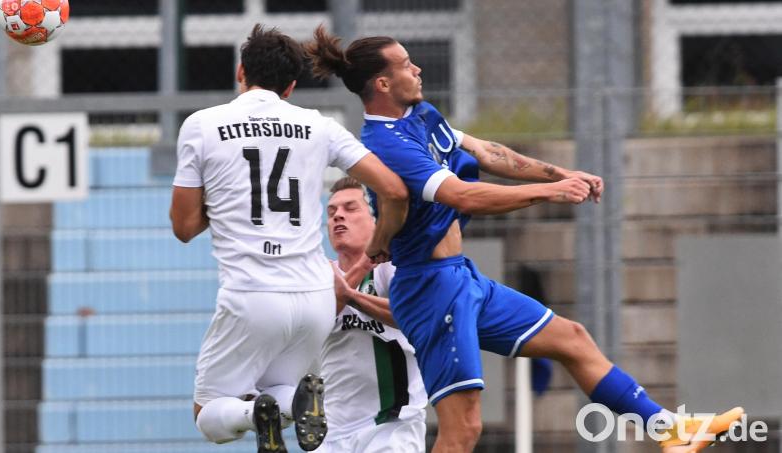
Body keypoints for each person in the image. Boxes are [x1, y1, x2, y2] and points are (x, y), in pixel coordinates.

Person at [305, 26, 743, 453]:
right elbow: (463, 195)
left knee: (572, 338)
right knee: (463, 430)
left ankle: (669, 431)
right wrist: (548, 193)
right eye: (405, 64)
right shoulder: (385, 143)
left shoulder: (420, 116)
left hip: (460, 278)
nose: (417, 69)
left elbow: (488, 152)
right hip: (429, 289)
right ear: (383, 82)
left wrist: (562, 173)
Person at [169, 24, 408, 453]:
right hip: (316, 293)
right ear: (292, 86)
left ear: (241, 72)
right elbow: (393, 189)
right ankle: (286, 405)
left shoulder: (202, 125)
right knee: (285, 388)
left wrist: (226, 200)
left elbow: (184, 227)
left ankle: (252, 412)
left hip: (252, 294)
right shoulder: (319, 126)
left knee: (207, 414)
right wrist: (381, 243)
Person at [316, 176, 427, 453]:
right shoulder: (317, 274)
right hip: (331, 433)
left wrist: (352, 295)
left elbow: (412, 315)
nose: (339, 216)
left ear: (376, 220)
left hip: (391, 426)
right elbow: (316, 317)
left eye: (351, 208)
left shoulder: (393, 269)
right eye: (331, 213)